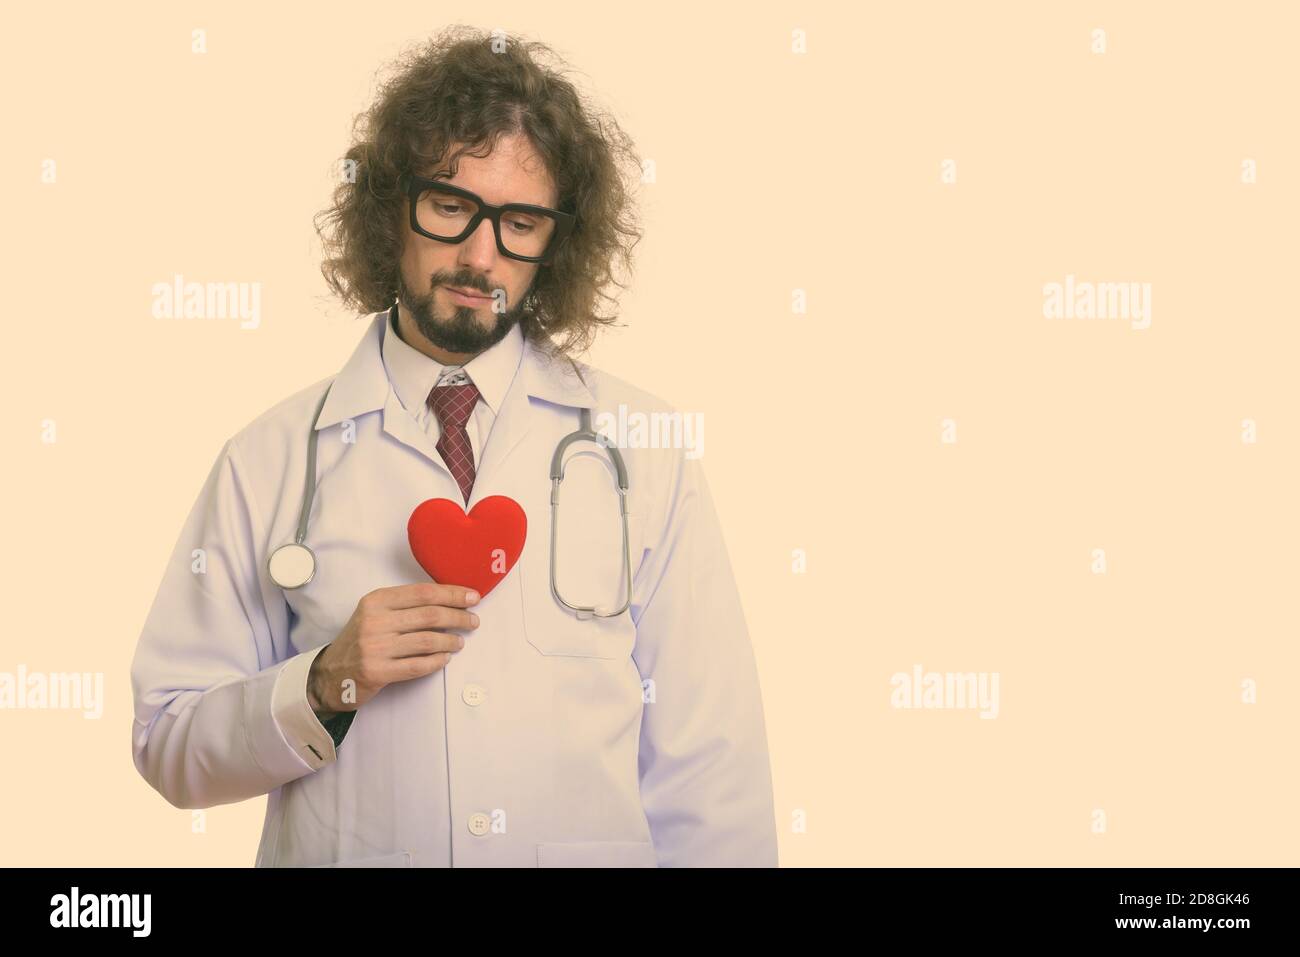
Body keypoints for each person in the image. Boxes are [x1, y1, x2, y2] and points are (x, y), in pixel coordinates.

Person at [129, 26, 777, 868]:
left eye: (520, 222)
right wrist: (322, 682)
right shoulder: (270, 458)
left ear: (558, 241)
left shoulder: (642, 450)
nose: (480, 255)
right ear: (389, 206)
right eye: (449, 206)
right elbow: (168, 741)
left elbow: (713, 769)